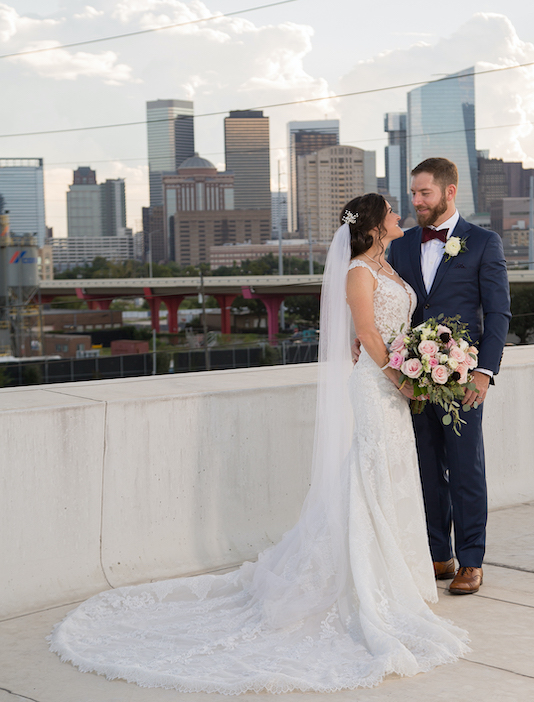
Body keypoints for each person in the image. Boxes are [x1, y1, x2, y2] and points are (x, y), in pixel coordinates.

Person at [48, 193, 468, 695]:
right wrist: (401, 378)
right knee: (370, 474)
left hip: (396, 386)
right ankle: (366, 584)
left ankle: (400, 579)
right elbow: (367, 333)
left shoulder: (389, 265)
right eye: (392, 212)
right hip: (378, 387)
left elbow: (394, 328)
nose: (400, 215)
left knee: (394, 475)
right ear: (376, 226)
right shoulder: (359, 271)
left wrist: (423, 360)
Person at [388, 157, 511, 595]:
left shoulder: (482, 242)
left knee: (465, 470)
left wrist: (484, 372)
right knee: (425, 467)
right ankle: (438, 554)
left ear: (449, 192)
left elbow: (497, 313)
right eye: (414, 193)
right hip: (414, 376)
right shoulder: (400, 245)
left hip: (463, 379)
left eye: (424, 193)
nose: (416, 201)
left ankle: (472, 561)